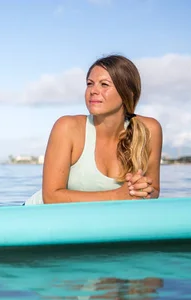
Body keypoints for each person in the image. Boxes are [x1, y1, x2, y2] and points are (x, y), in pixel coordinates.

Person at [24, 55, 163, 205]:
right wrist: (117, 196)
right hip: (38, 218)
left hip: (94, 223)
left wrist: (141, 190)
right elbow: (51, 197)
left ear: (127, 93)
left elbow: (154, 189)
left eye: (104, 84)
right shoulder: (67, 128)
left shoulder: (149, 129)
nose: (93, 91)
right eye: (90, 84)